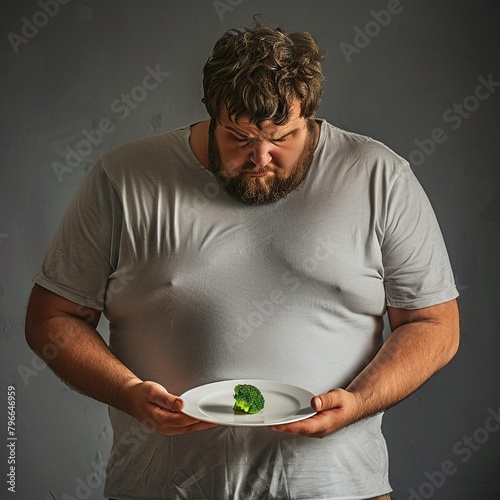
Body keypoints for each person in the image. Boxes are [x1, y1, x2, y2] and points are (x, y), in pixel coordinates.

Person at [25, 21, 460, 500]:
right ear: (212, 114)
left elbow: (434, 322)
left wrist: (358, 403)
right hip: (161, 490)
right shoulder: (124, 178)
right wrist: (128, 393)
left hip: (341, 489)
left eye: (283, 136)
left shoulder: (381, 178)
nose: (260, 156)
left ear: (309, 116)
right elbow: (52, 317)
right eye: (238, 136)